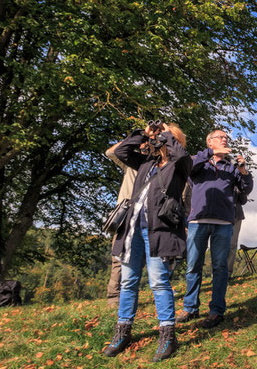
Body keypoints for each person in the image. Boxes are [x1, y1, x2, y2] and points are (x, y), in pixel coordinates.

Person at [103, 122, 191, 362]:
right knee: (128, 281)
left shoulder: (179, 166)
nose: (159, 139)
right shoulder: (145, 163)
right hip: (132, 230)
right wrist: (143, 134)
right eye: (159, 135)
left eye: (166, 136)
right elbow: (121, 152)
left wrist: (166, 135)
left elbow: (181, 154)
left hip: (159, 231)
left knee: (159, 282)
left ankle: (168, 336)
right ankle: (122, 332)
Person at [178, 129, 253, 328]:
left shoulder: (231, 168)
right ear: (209, 142)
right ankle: (190, 308)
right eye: (220, 137)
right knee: (193, 266)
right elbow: (188, 168)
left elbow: (245, 189)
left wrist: (244, 171)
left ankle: (216, 310)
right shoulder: (198, 162)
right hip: (198, 221)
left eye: (226, 138)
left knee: (220, 268)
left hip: (224, 223)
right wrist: (210, 154)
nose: (225, 140)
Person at [104, 141, 140, 307]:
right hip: (126, 213)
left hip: (147, 215)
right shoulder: (131, 163)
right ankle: (114, 296)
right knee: (119, 255)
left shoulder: (159, 165)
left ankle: (131, 293)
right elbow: (111, 152)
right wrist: (139, 137)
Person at [226, 189, 248, 277]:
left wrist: (241, 191)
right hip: (221, 214)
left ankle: (227, 273)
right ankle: (217, 273)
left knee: (232, 244)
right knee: (219, 245)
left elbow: (243, 201)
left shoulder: (238, 181)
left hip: (236, 215)